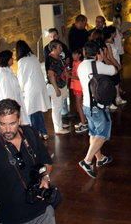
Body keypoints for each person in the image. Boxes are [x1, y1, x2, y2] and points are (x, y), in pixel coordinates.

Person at [0, 99, 56, 224]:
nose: (7, 130)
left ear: (19, 120)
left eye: (12, 124)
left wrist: (45, 177)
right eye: (2, 124)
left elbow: (47, 163)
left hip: (43, 212)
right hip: (11, 218)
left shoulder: (31, 133)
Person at [77, 41, 118, 179]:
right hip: (97, 107)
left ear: (84, 52)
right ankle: (87, 161)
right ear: (97, 53)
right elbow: (114, 70)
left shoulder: (81, 65)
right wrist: (104, 58)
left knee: (93, 133)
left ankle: (100, 158)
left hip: (86, 106)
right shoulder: (97, 65)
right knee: (102, 134)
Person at [16, 40, 51, 140]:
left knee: (31, 112)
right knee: (38, 110)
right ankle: (43, 132)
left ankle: (34, 134)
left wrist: (20, 89)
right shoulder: (33, 57)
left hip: (31, 89)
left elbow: (22, 77)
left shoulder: (22, 61)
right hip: (39, 86)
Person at [0, 50, 29, 125]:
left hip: (15, 102)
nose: (13, 59)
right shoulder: (3, 73)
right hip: (10, 105)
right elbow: (6, 92)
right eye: (11, 58)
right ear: (6, 60)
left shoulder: (8, 70)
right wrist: (12, 107)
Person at [45, 40, 70, 135]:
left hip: (61, 84)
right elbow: (51, 75)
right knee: (56, 107)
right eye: (59, 47)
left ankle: (60, 123)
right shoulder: (50, 59)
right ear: (54, 48)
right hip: (55, 86)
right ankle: (58, 128)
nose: (61, 49)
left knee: (59, 105)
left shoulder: (59, 57)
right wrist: (56, 89)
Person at [103, 25, 127, 106]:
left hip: (115, 64)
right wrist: (117, 65)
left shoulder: (112, 41)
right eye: (114, 32)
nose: (115, 34)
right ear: (111, 33)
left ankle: (118, 98)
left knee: (117, 82)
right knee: (112, 83)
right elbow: (111, 57)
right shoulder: (107, 44)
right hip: (112, 65)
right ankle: (111, 101)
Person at [69, 48, 88, 134]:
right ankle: (83, 120)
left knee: (79, 105)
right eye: (73, 54)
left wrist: (69, 76)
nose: (73, 56)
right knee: (79, 105)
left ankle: (84, 124)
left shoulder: (80, 64)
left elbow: (79, 77)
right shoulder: (74, 62)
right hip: (75, 86)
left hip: (79, 87)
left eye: (75, 54)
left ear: (80, 55)